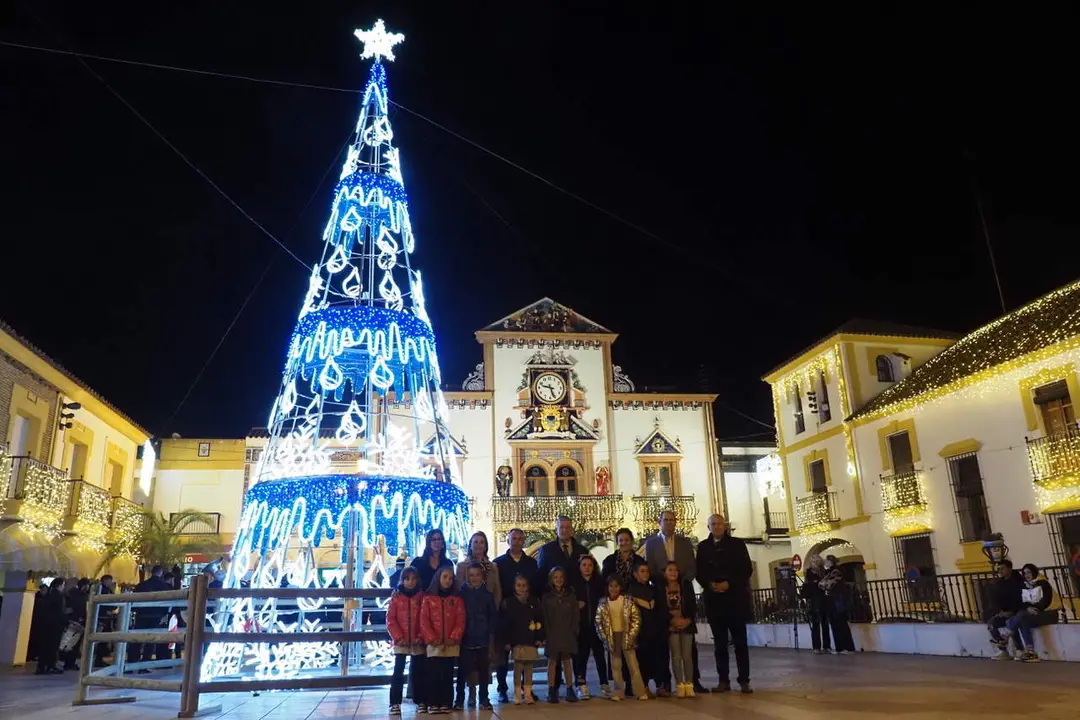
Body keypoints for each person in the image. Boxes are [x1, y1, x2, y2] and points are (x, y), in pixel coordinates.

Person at [643, 510, 706, 694]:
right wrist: (665, 580)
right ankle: (667, 683)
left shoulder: (685, 543)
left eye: (672, 520)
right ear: (659, 522)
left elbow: (691, 567)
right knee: (665, 648)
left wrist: (680, 581)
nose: (669, 523)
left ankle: (693, 681)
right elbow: (651, 569)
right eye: (666, 520)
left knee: (689, 651)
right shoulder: (651, 543)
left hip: (683, 594)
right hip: (663, 596)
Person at [696, 514, 753, 693]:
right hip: (714, 602)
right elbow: (699, 572)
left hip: (735, 600)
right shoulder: (703, 547)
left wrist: (729, 583)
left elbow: (746, 569)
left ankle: (744, 680)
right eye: (713, 524)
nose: (717, 526)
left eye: (720, 523)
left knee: (740, 643)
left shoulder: (737, 545)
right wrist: (710, 584)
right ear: (709, 527)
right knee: (719, 644)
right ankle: (723, 680)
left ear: (725, 525)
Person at [493, 528, 538, 702]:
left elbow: (534, 586)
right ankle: (503, 688)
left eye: (521, 538)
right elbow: (497, 587)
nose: (517, 541)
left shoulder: (531, 563)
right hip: (506, 612)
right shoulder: (499, 563)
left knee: (526, 654)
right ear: (508, 540)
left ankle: (527, 689)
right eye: (514, 538)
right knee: (503, 654)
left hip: (526, 613)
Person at [420, 567, 466, 714]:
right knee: (434, 674)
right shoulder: (428, 599)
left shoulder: (457, 599)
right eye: (445, 577)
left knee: (447, 674)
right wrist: (431, 638)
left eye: (451, 578)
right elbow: (424, 620)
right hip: (434, 644)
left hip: (451, 644)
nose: (448, 581)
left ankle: (446, 702)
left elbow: (460, 620)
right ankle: (434, 702)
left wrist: (454, 637)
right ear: (438, 578)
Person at [595, 576, 646, 701]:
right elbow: (598, 622)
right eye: (611, 586)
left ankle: (639, 691)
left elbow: (636, 618)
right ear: (607, 587)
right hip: (612, 637)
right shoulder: (603, 603)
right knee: (615, 666)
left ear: (620, 587)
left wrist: (632, 634)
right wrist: (604, 637)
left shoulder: (627, 601)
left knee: (633, 665)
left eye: (616, 586)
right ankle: (618, 692)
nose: (613, 589)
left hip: (627, 636)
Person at [456, 563, 497, 711]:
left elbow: (492, 617)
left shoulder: (487, 595)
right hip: (465, 638)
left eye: (477, 575)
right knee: (462, 671)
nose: (474, 578)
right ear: (467, 576)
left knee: (483, 671)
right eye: (471, 575)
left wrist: (490, 635)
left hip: (482, 638)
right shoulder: (461, 594)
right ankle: (459, 699)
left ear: (482, 576)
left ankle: (484, 698)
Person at [499, 574, 544, 705]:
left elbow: (539, 621)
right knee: (518, 668)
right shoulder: (509, 602)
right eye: (518, 585)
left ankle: (528, 693)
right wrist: (507, 641)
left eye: (524, 585)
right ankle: (517, 693)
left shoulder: (534, 602)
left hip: (530, 641)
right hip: (516, 641)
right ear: (514, 587)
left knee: (529, 669)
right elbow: (505, 624)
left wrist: (539, 637)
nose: (521, 588)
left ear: (528, 587)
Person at [1003, 563, 1061, 663]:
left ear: (1034, 572)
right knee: (1022, 619)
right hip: (1034, 614)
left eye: (1029, 572)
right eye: (1024, 573)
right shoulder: (1026, 586)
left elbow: (1045, 602)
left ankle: (1007, 633)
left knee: (1020, 616)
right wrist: (1028, 608)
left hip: (1049, 613)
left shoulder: (1043, 584)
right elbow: (1022, 602)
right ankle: (1030, 651)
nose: (1027, 575)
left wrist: (1032, 608)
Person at [387, 567, 426, 716]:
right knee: (398, 672)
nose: (410, 582)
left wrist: (421, 636)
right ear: (402, 580)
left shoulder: (421, 597)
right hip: (401, 642)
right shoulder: (396, 597)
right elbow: (391, 619)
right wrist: (398, 637)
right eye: (407, 579)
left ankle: (420, 700)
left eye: (414, 579)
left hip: (417, 641)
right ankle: (395, 702)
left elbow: (425, 618)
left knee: (418, 672)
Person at [572, 554, 608, 699]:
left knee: (600, 656)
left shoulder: (599, 583)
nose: (587, 568)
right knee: (581, 657)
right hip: (581, 627)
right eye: (584, 565)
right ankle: (581, 686)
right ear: (579, 567)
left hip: (597, 626)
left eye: (590, 565)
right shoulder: (574, 584)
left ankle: (604, 684)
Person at [541, 567, 579, 703]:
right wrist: (545, 634)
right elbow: (544, 617)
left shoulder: (570, 596)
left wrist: (574, 630)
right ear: (551, 579)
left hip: (567, 632)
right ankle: (551, 690)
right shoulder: (546, 598)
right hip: (552, 633)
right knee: (552, 662)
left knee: (567, 661)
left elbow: (575, 615)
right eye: (555, 577)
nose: (558, 580)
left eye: (561, 577)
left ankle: (570, 688)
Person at [628, 562, 665, 697]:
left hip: (653, 631)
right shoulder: (631, 591)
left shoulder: (652, 590)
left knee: (653, 660)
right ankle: (641, 687)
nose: (645, 574)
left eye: (647, 571)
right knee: (641, 661)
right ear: (635, 574)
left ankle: (656, 685)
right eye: (642, 571)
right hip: (640, 632)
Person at [127, 565, 172, 672]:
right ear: (161, 573)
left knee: (136, 639)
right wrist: (165, 614)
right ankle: (144, 665)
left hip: (141, 615)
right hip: (156, 616)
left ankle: (131, 662)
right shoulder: (164, 586)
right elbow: (168, 601)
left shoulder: (141, 585)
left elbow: (134, 599)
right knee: (150, 641)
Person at [663, 561, 697, 698]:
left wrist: (688, 619)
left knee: (687, 656)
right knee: (676, 656)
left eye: (675, 570)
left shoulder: (685, 585)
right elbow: (661, 607)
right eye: (670, 570)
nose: (673, 573)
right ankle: (679, 684)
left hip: (686, 624)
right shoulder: (661, 588)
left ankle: (689, 684)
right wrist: (672, 620)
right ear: (664, 573)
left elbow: (692, 604)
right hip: (671, 626)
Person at [536, 516, 589, 592]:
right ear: (556, 530)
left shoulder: (582, 550)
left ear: (572, 530)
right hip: (554, 597)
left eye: (567, 527)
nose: (564, 530)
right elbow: (541, 576)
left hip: (578, 596)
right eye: (561, 527)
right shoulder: (546, 550)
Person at [988, 559, 1024, 660]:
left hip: (1017, 611)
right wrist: (1000, 612)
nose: (1000, 571)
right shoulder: (999, 583)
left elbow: (1021, 599)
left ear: (1010, 568)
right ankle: (1003, 650)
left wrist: (1012, 611)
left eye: (1002, 568)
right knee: (991, 623)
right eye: (998, 569)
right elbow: (996, 599)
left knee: (1011, 623)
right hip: (1004, 612)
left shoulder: (1019, 581)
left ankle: (1019, 649)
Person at [822, 555, 855, 654]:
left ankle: (846, 647)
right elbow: (822, 583)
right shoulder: (829, 572)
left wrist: (824, 584)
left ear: (830, 561)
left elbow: (826, 584)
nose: (824, 562)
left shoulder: (836, 571)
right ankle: (840, 647)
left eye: (826, 561)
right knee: (835, 624)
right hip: (832, 601)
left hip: (838, 601)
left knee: (841, 624)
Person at [801, 554, 832, 654]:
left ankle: (827, 646)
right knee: (816, 624)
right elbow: (808, 585)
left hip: (823, 599)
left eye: (816, 560)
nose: (815, 562)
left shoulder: (824, 571)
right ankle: (816, 647)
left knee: (825, 623)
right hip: (814, 600)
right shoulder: (809, 573)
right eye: (813, 560)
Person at [35, 578, 67, 675]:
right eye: (63, 585)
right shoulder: (59, 596)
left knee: (45, 646)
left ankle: (42, 667)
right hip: (55, 626)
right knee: (53, 647)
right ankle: (50, 666)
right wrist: (65, 622)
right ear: (60, 585)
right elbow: (59, 612)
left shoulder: (48, 595)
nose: (64, 587)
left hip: (45, 625)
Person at [62, 578, 91, 670]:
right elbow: (79, 609)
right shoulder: (79, 596)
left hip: (76, 621)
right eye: (86, 585)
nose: (87, 587)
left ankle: (69, 662)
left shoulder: (75, 595)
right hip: (76, 622)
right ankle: (69, 662)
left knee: (72, 643)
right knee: (72, 643)